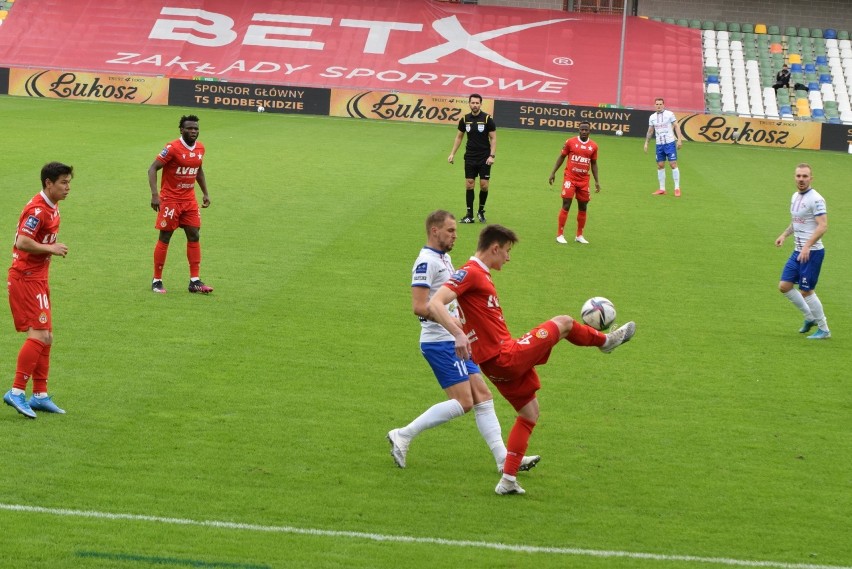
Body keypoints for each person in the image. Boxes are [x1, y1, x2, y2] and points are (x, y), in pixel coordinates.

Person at [428, 225, 636, 495]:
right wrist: (457, 333)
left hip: (494, 364)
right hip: (505, 357)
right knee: (563, 323)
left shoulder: (480, 274)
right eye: (507, 251)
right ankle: (605, 342)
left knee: (529, 413)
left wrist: (463, 328)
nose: (508, 258)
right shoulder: (471, 272)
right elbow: (435, 303)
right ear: (495, 248)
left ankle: (508, 480)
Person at [387, 210, 540, 473]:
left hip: (456, 340)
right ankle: (403, 434)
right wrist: (454, 326)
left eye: (455, 231)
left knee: (482, 397)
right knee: (464, 402)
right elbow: (419, 306)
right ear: (434, 231)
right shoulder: (426, 262)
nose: (455, 236)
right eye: (450, 231)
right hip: (440, 341)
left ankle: (504, 459)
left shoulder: (443, 259)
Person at [4, 162, 74, 419]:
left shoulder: (52, 208)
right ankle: (16, 391)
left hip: (39, 278)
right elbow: (22, 242)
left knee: (48, 337)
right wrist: (51, 249)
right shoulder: (37, 209)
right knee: (39, 335)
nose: (68, 188)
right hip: (25, 278)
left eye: (69, 182)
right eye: (63, 183)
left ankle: (40, 395)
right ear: (48, 183)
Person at [148, 114, 213, 294]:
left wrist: (205, 193)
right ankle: (157, 280)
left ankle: (195, 281)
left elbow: (198, 170)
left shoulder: (200, 148)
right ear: (181, 130)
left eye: (196, 129)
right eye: (190, 128)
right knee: (165, 236)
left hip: (189, 200)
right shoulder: (172, 148)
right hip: (170, 200)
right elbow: (152, 168)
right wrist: (155, 195)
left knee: (194, 235)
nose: (194, 131)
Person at [774, 163, 830, 339]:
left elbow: (823, 226)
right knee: (785, 286)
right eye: (798, 176)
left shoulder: (816, 199)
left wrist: (806, 246)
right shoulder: (795, 196)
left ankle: (824, 329)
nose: (801, 179)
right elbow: (797, 221)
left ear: (811, 178)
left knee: (806, 291)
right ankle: (809, 317)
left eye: (805, 176)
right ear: (794, 177)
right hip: (798, 251)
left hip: (812, 253)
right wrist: (784, 235)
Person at [548, 121, 601, 244]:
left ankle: (579, 235)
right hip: (570, 178)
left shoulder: (593, 146)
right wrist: (553, 172)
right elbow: (561, 157)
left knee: (583, 207)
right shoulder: (570, 142)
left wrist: (597, 181)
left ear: (589, 131)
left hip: (584, 181)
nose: (583, 132)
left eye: (586, 130)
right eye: (581, 129)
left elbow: (593, 163)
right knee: (566, 204)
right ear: (578, 130)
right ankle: (560, 234)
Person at [448, 94, 496, 224]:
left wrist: (492, 155)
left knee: (484, 185)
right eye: (472, 103)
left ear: (481, 104)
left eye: (477, 103)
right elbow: (459, 137)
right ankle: (469, 215)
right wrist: (452, 153)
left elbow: (493, 138)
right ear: (469, 103)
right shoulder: (465, 119)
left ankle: (480, 211)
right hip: (470, 156)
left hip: (484, 157)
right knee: (469, 184)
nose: (475, 105)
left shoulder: (487, 119)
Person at [644, 97, 683, 197]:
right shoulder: (652, 117)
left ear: (664, 105)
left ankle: (677, 188)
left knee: (673, 164)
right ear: (654, 105)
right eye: (657, 104)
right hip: (659, 144)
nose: (658, 106)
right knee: (660, 165)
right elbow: (650, 131)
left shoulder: (669, 114)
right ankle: (662, 189)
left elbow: (676, 125)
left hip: (669, 143)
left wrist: (679, 140)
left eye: (660, 104)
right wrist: (646, 143)